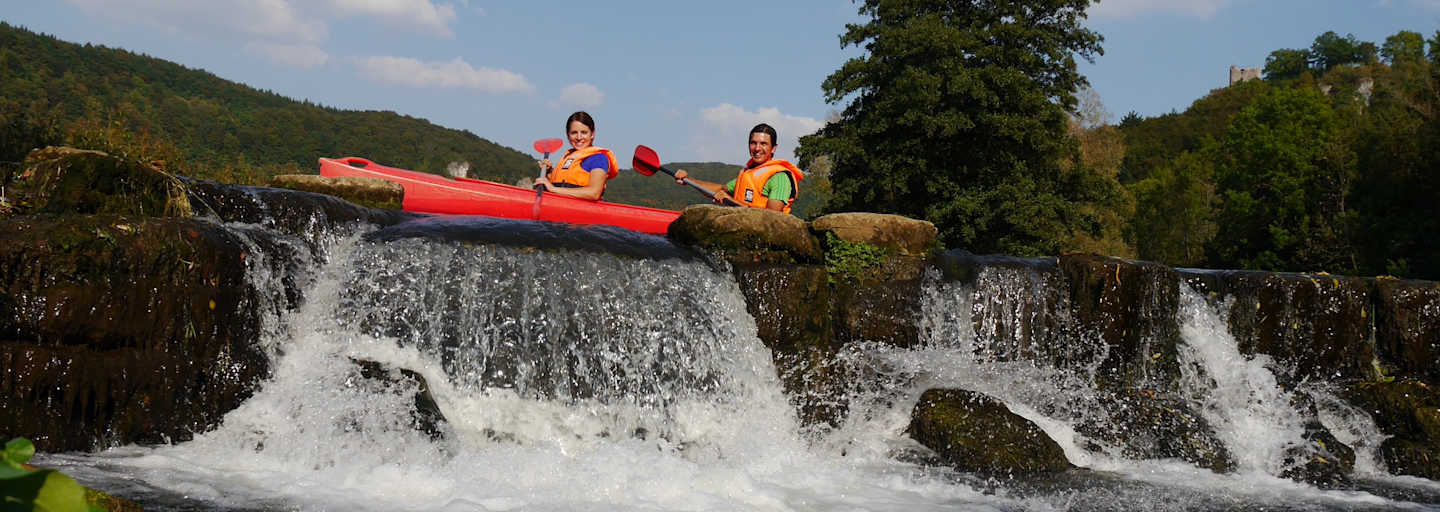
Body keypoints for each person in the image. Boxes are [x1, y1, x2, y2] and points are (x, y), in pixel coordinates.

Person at [672, 123, 803, 213]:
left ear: (773, 148)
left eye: (763, 144)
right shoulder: (749, 173)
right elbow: (721, 189)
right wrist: (689, 180)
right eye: (753, 143)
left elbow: (772, 216)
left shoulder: (780, 177)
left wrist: (731, 202)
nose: (757, 148)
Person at [534, 111, 618, 201]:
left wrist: (553, 189)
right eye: (574, 133)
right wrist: (548, 173)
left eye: (584, 132)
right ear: (568, 135)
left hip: (583, 212)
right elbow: (561, 186)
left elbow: (594, 193)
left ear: (592, 134)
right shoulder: (568, 157)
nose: (579, 137)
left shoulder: (599, 159)